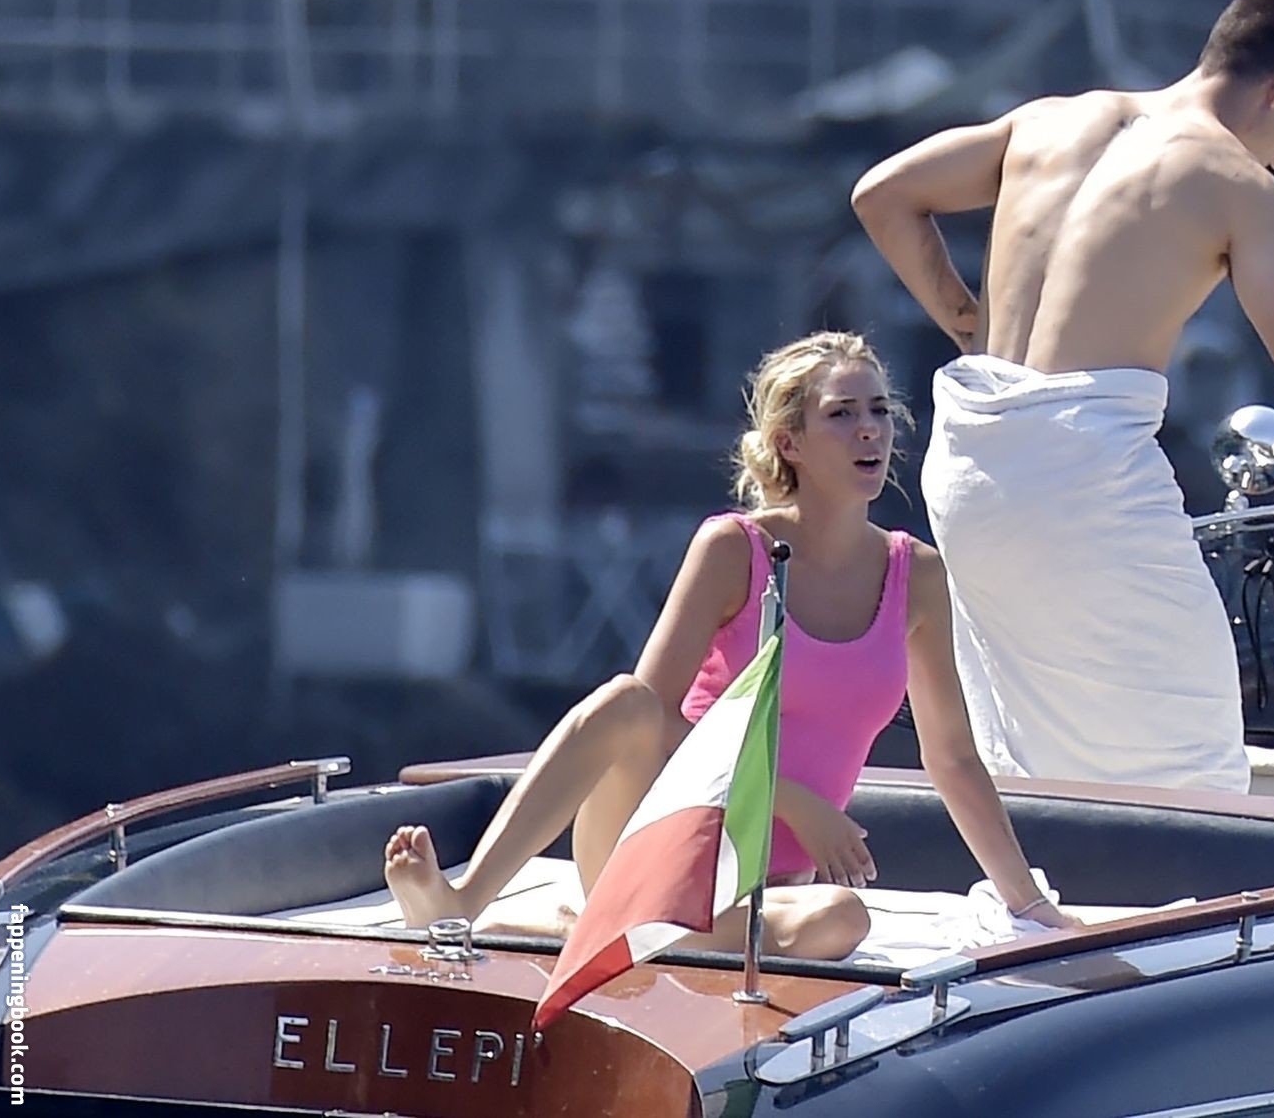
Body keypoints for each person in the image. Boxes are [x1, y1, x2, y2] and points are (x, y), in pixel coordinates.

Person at [850, 0, 1274, 794]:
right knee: (1195, 754)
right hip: (1081, 475)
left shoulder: (1046, 121)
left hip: (971, 464)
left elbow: (883, 195)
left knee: (1034, 748)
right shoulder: (1235, 183)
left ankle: (1042, 876)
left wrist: (970, 325)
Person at [383, 331, 1080, 958]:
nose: (869, 429)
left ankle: (603, 928)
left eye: (878, 410)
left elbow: (952, 757)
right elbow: (651, 721)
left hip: (763, 890)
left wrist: (1029, 904)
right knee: (624, 700)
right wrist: (790, 800)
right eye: (841, 414)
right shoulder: (733, 549)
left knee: (841, 919)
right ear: (790, 442)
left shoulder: (915, 574)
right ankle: (464, 902)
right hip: (662, 841)